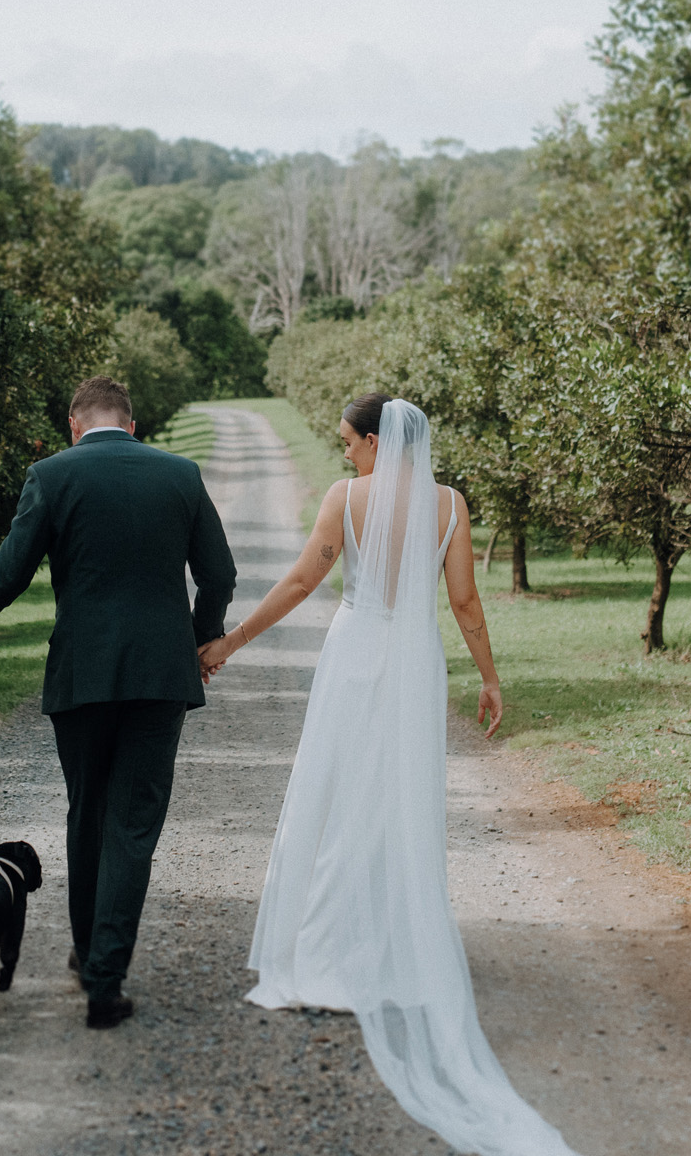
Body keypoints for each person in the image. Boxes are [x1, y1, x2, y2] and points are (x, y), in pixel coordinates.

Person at [197, 394, 577, 1156]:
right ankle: (395, 954)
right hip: (413, 663)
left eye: (348, 442)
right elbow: (464, 601)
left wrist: (228, 643)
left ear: (376, 440)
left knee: (337, 795)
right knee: (402, 801)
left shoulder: (347, 499)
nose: (344, 454)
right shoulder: (449, 504)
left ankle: (327, 953)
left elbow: (304, 583)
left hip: (354, 657)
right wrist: (491, 678)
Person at [0, 375, 235, 1028]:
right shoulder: (180, 473)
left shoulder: (52, 475)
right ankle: (104, 979)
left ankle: (90, 953)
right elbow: (219, 574)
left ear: (73, 423)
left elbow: (8, 573)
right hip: (158, 679)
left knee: (88, 813)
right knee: (133, 826)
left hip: (82, 676)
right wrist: (206, 639)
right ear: (133, 423)